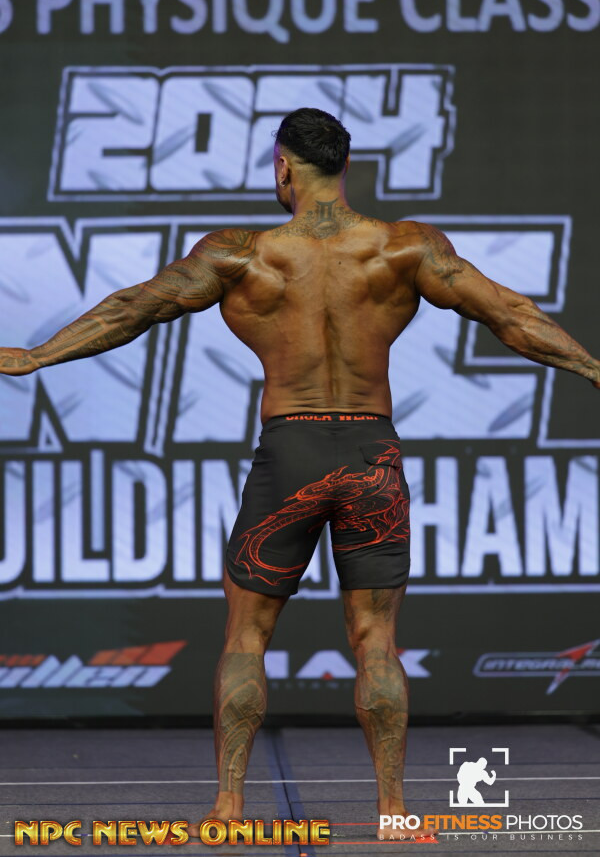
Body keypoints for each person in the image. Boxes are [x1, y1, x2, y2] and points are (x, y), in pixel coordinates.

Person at [0, 108, 598, 839]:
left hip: (291, 451)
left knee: (246, 637)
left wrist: (36, 357)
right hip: (370, 454)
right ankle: (392, 810)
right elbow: (511, 314)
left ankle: (228, 807)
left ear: (283, 166)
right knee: (375, 639)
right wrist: (593, 368)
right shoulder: (405, 247)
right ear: (345, 166)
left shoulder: (240, 255)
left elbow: (135, 309)